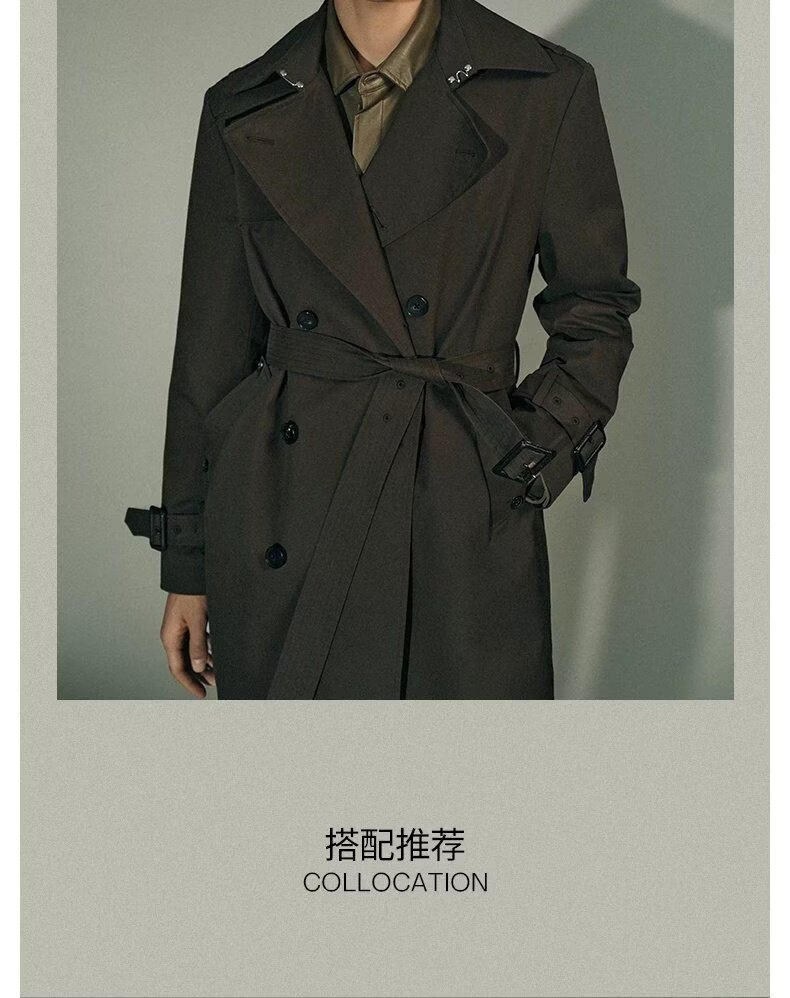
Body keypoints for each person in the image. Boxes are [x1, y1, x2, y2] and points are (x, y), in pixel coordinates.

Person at [125, 0, 641, 699]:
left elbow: (595, 305)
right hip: (281, 509)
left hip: (454, 502)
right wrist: (188, 563)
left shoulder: (544, 87)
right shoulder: (243, 102)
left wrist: (524, 458)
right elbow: (208, 352)